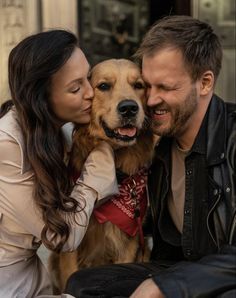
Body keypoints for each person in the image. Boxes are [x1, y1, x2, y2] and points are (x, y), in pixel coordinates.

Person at [64, 15, 236, 298]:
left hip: (223, 276)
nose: (150, 100)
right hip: (179, 266)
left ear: (205, 83)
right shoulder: (157, 148)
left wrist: (166, 285)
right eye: (148, 85)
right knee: (84, 285)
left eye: (165, 88)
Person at [0, 30, 118, 297]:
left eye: (88, 79)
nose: (91, 93)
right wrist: (96, 171)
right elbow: (62, 237)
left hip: (33, 275)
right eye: (75, 88)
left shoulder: (59, 130)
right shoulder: (7, 144)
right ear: (41, 99)